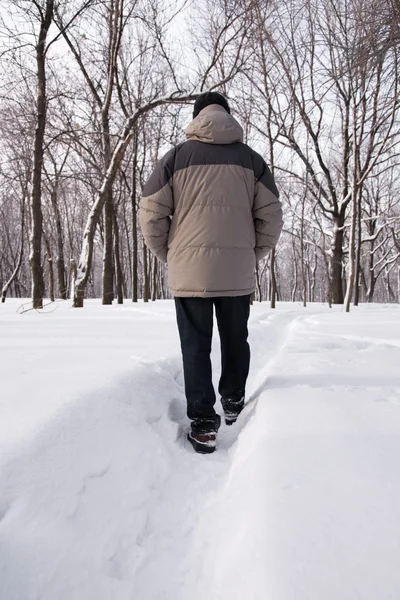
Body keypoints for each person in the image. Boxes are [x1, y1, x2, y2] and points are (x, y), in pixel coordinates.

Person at [140, 92, 283, 454]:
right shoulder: (252, 160)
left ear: (196, 116)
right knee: (236, 336)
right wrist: (253, 253)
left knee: (195, 345)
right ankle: (233, 400)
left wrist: (170, 254)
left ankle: (203, 425)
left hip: (189, 271)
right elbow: (272, 216)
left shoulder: (174, 158)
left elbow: (151, 214)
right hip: (236, 269)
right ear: (227, 116)